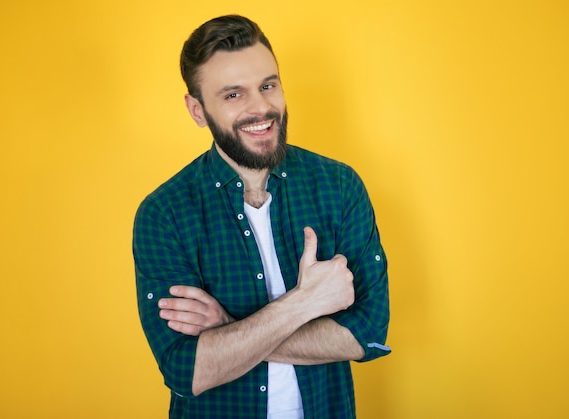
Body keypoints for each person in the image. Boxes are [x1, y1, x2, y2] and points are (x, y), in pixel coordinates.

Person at [133, 15, 391, 419]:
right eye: (233, 95)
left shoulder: (339, 186)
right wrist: (304, 304)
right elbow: (189, 370)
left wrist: (226, 327)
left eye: (268, 85)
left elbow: (368, 336)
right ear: (197, 110)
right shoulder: (164, 213)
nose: (262, 108)